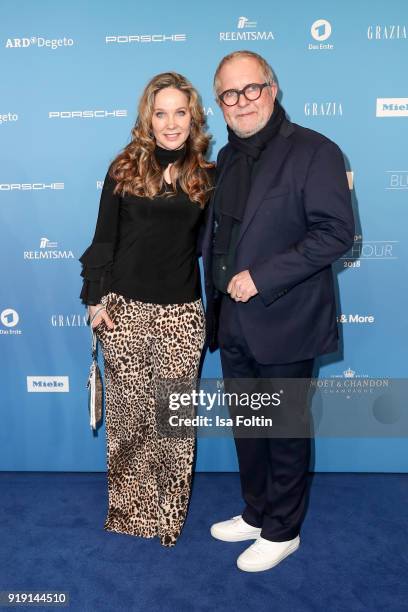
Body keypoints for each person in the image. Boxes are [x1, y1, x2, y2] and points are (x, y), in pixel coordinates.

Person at [201, 51, 355, 571]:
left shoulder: (315, 150)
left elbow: (335, 233)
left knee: (284, 427)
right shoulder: (225, 158)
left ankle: (283, 530)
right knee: (249, 424)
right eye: (229, 93)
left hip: (287, 316)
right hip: (232, 319)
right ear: (219, 103)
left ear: (273, 87)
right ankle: (256, 511)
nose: (242, 102)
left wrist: (263, 277)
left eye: (252, 89)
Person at [78, 72, 214, 547]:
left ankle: (168, 518)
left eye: (180, 112)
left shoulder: (207, 176)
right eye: (161, 113)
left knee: (174, 424)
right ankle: (131, 513)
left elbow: (222, 244)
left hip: (182, 315)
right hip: (124, 310)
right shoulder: (124, 168)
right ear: (147, 118)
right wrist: (95, 299)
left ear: (192, 117)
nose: (171, 123)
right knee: (130, 418)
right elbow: (104, 238)